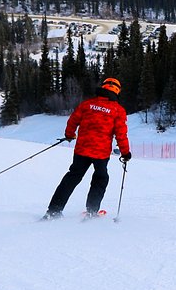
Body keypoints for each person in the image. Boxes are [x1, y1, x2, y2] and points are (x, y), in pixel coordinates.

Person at [43, 77, 131, 220]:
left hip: (81, 150)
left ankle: (53, 211)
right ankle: (91, 212)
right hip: (101, 154)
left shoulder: (87, 104)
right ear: (116, 91)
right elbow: (121, 134)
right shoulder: (117, 110)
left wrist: (70, 135)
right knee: (100, 178)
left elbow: (73, 120)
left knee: (72, 177)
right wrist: (125, 153)